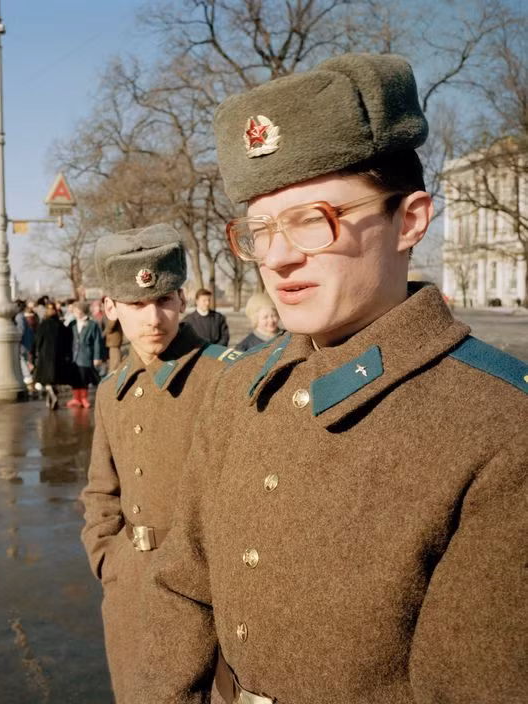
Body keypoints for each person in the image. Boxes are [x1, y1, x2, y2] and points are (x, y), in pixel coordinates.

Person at [136, 53, 528, 703]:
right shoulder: (239, 388)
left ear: (410, 220)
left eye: (314, 219)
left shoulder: (498, 426)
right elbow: (181, 584)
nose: (281, 256)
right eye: (261, 230)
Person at [79, 224, 241, 702]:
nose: (154, 318)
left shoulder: (226, 376)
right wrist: (108, 560)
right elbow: (100, 492)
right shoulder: (111, 391)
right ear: (110, 308)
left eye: (165, 300)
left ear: (182, 299)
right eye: (135, 305)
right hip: (131, 593)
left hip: (211, 597)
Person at [32, 302, 73, 409]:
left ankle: (52, 396)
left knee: (46, 380)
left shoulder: (43, 324)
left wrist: (35, 353)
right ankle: (50, 400)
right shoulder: (60, 325)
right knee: (54, 379)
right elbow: (67, 341)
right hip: (58, 356)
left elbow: (38, 340)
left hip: (45, 355)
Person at [66, 300, 103, 409]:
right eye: (75, 311)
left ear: (83, 311)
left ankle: (83, 398)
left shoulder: (92, 324)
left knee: (84, 377)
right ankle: (75, 398)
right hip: (73, 355)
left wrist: (97, 357)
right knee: (75, 377)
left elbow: (97, 342)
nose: (76, 312)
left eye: (77, 310)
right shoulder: (72, 323)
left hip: (86, 355)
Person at [102, 300, 124, 372]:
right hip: (114, 338)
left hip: (114, 338)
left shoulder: (114, 312)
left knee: (115, 356)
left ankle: (115, 370)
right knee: (114, 355)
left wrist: (106, 331)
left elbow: (112, 323)